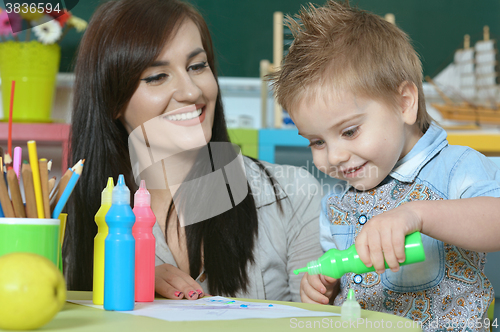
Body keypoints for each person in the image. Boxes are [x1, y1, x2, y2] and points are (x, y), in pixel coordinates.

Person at [65, 0, 323, 302]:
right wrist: (124, 283)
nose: (192, 92)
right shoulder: (73, 215)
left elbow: (313, 320)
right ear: (112, 100)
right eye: (157, 76)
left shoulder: (292, 195)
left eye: (197, 66)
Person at [269, 1, 500, 330]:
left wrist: (417, 214)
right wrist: (328, 284)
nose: (333, 157)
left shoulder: (455, 166)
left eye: (349, 131)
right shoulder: (336, 205)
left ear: (404, 103)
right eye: (317, 142)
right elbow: (352, 283)